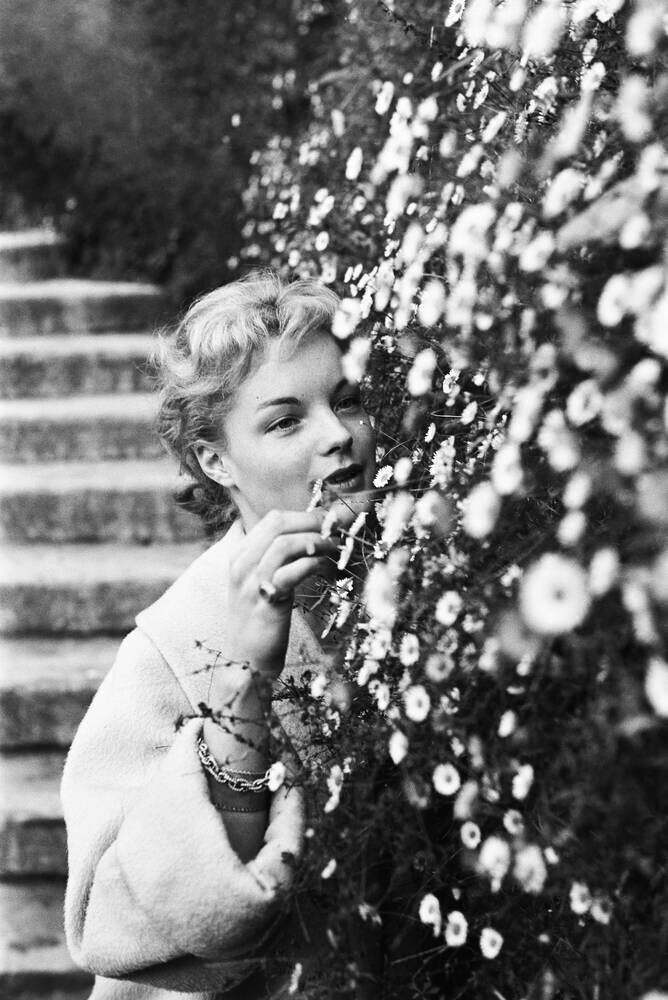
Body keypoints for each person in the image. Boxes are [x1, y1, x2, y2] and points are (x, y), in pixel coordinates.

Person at [61, 270, 377, 1000]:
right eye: (285, 421)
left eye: (347, 400)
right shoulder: (171, 648)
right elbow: (112, 924)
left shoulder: (433, 582)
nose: (338, 436)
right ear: (214, 460)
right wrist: (245, 684)